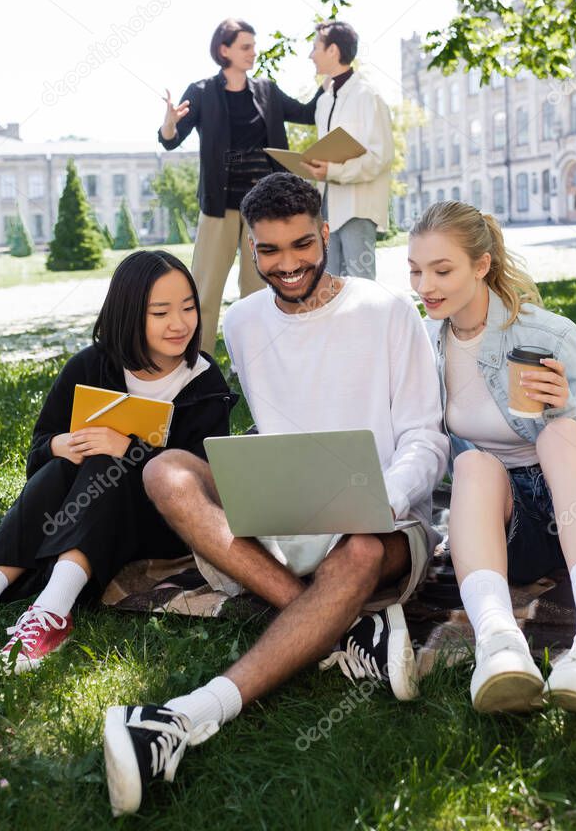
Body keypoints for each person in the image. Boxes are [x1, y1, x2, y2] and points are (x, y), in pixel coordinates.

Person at [103, 172, 448, 817]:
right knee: (167, 472)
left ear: (325, 235)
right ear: (251, 250)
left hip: (382, 524)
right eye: (268, 251)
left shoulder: (388, 310)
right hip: (286, 516)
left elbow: (427, 439)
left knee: (363, 550)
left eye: (301, 246)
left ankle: (183, 719)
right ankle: (348, 634)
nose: (287, 265)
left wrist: (384, 498)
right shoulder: (243, 320)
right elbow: (274, 422)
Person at [408, 200, 576, 721]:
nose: (425, 285)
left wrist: (570, 406)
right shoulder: (425, 343)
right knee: (472, 465)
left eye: (442, 270)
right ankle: (498, 646)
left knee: (559, 436)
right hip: (523, 532)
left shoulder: (547, 333)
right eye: (416, 270)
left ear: (481, 265)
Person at [0, 250, 235, 673]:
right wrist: (60, 446)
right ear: (128, 315)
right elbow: (38, 451)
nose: (180, 323)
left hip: (161, 529)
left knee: (107, 463)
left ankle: (52, 612)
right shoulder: (91, 367)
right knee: (64, 466)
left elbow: (205, 483)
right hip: (77, 514)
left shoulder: (204, 382)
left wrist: (126, 449)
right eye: (160, 312)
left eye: (188, 308)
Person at [159, 17, 321, 355]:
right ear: (224, 50)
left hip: (264, 210)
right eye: (245, 46)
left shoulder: (267, 90)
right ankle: (198, 363)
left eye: (253, 46)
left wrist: (333, 76)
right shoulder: (202, 92)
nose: (253, 52)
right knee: (205, 289)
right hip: (219, 206)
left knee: (259, 290)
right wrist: (169, 125)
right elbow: (171, 141)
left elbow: (307, 113)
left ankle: (255, 361)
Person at [302, 21, 394, 280]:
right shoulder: (323, 101)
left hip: (358, 209)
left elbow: (381, 157)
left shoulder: (369, 96)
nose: (311, 55)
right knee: (329, 288)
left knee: (361, 287)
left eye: (315, 48)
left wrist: (335, 170)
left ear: (333, 51)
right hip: (327, 210)